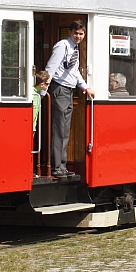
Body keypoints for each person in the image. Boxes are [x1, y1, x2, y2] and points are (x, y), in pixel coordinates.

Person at [45, 20, 94, 178]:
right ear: (70, 32)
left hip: (68, 91)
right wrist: (43, 90)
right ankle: (56, 166)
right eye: (76, 33)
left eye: (81, 34)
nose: (78, 36)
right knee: (59, 129)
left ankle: (62, 166)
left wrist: (85, 87)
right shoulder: (62, 46)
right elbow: (51, 68)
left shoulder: (75, 49)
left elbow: (74, 71)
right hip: (59, 89)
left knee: (65, 130)